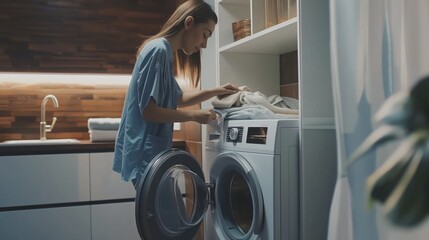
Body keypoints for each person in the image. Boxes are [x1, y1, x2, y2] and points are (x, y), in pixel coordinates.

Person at [113, 0, 238, 187]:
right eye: (205, 35)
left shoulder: (164, 52)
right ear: (188, 23)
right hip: (145, 151)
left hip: (150, 151)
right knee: (162, 213)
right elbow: (149, 111)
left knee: (161, 213)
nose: (204, 44)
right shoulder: (158, 50)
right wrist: (195, 116)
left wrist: (215, 91)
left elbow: (178, 98)